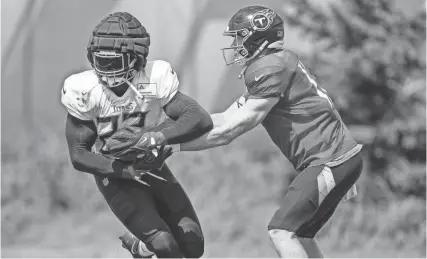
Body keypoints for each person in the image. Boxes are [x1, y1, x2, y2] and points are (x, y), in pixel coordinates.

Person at [166, 5, 363, 258]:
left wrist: (172, 145)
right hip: (339, 160)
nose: (236, 44)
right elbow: (224, 118)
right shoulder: (275, 66)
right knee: (300, 236)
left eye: (240, 36)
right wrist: (170, 132)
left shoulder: (270, 68)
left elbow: (230, 130)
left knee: (281, 231)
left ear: (258, 37)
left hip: (331, 161)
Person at [61, 12, 213, 258]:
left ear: (136, 60)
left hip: (152, 165)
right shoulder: (85, 90)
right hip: (115, 171)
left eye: (114, 63)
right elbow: (79, 155)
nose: (105, 71)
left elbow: (199, 118)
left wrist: (157, 138)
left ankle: (140, 246)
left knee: (193, 247)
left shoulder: (154, 77)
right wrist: (127, 171)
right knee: (165, 246)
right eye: (100, 61)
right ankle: (149, 243)